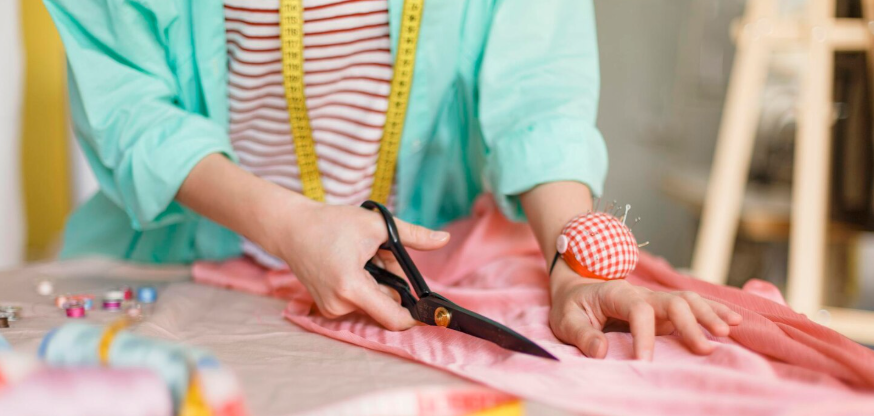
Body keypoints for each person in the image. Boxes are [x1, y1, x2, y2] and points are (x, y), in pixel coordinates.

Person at [46, 0, 740, 361]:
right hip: (177, 266)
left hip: (424, 268)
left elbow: (538, 88)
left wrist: (571, 262)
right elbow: (130, 109)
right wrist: (289, 226)